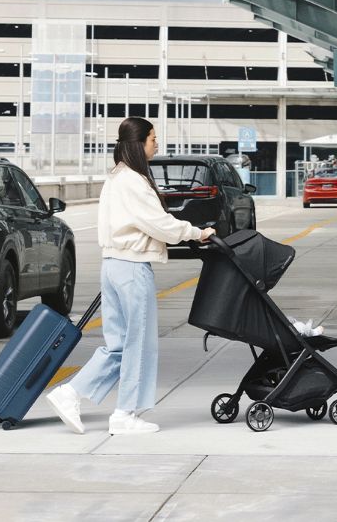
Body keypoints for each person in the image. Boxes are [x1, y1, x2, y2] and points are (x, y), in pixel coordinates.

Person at [47, 117, 215, 435]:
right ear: (139, 144)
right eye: (153, 138)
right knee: (140, 344)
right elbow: (160, 223)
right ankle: (125, 414)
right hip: (132, 268)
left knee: (119, 344)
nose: (157, 144)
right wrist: (197, 233)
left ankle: (70, 393)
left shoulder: (116, 177)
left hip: (112, 265)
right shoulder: (134, 181)